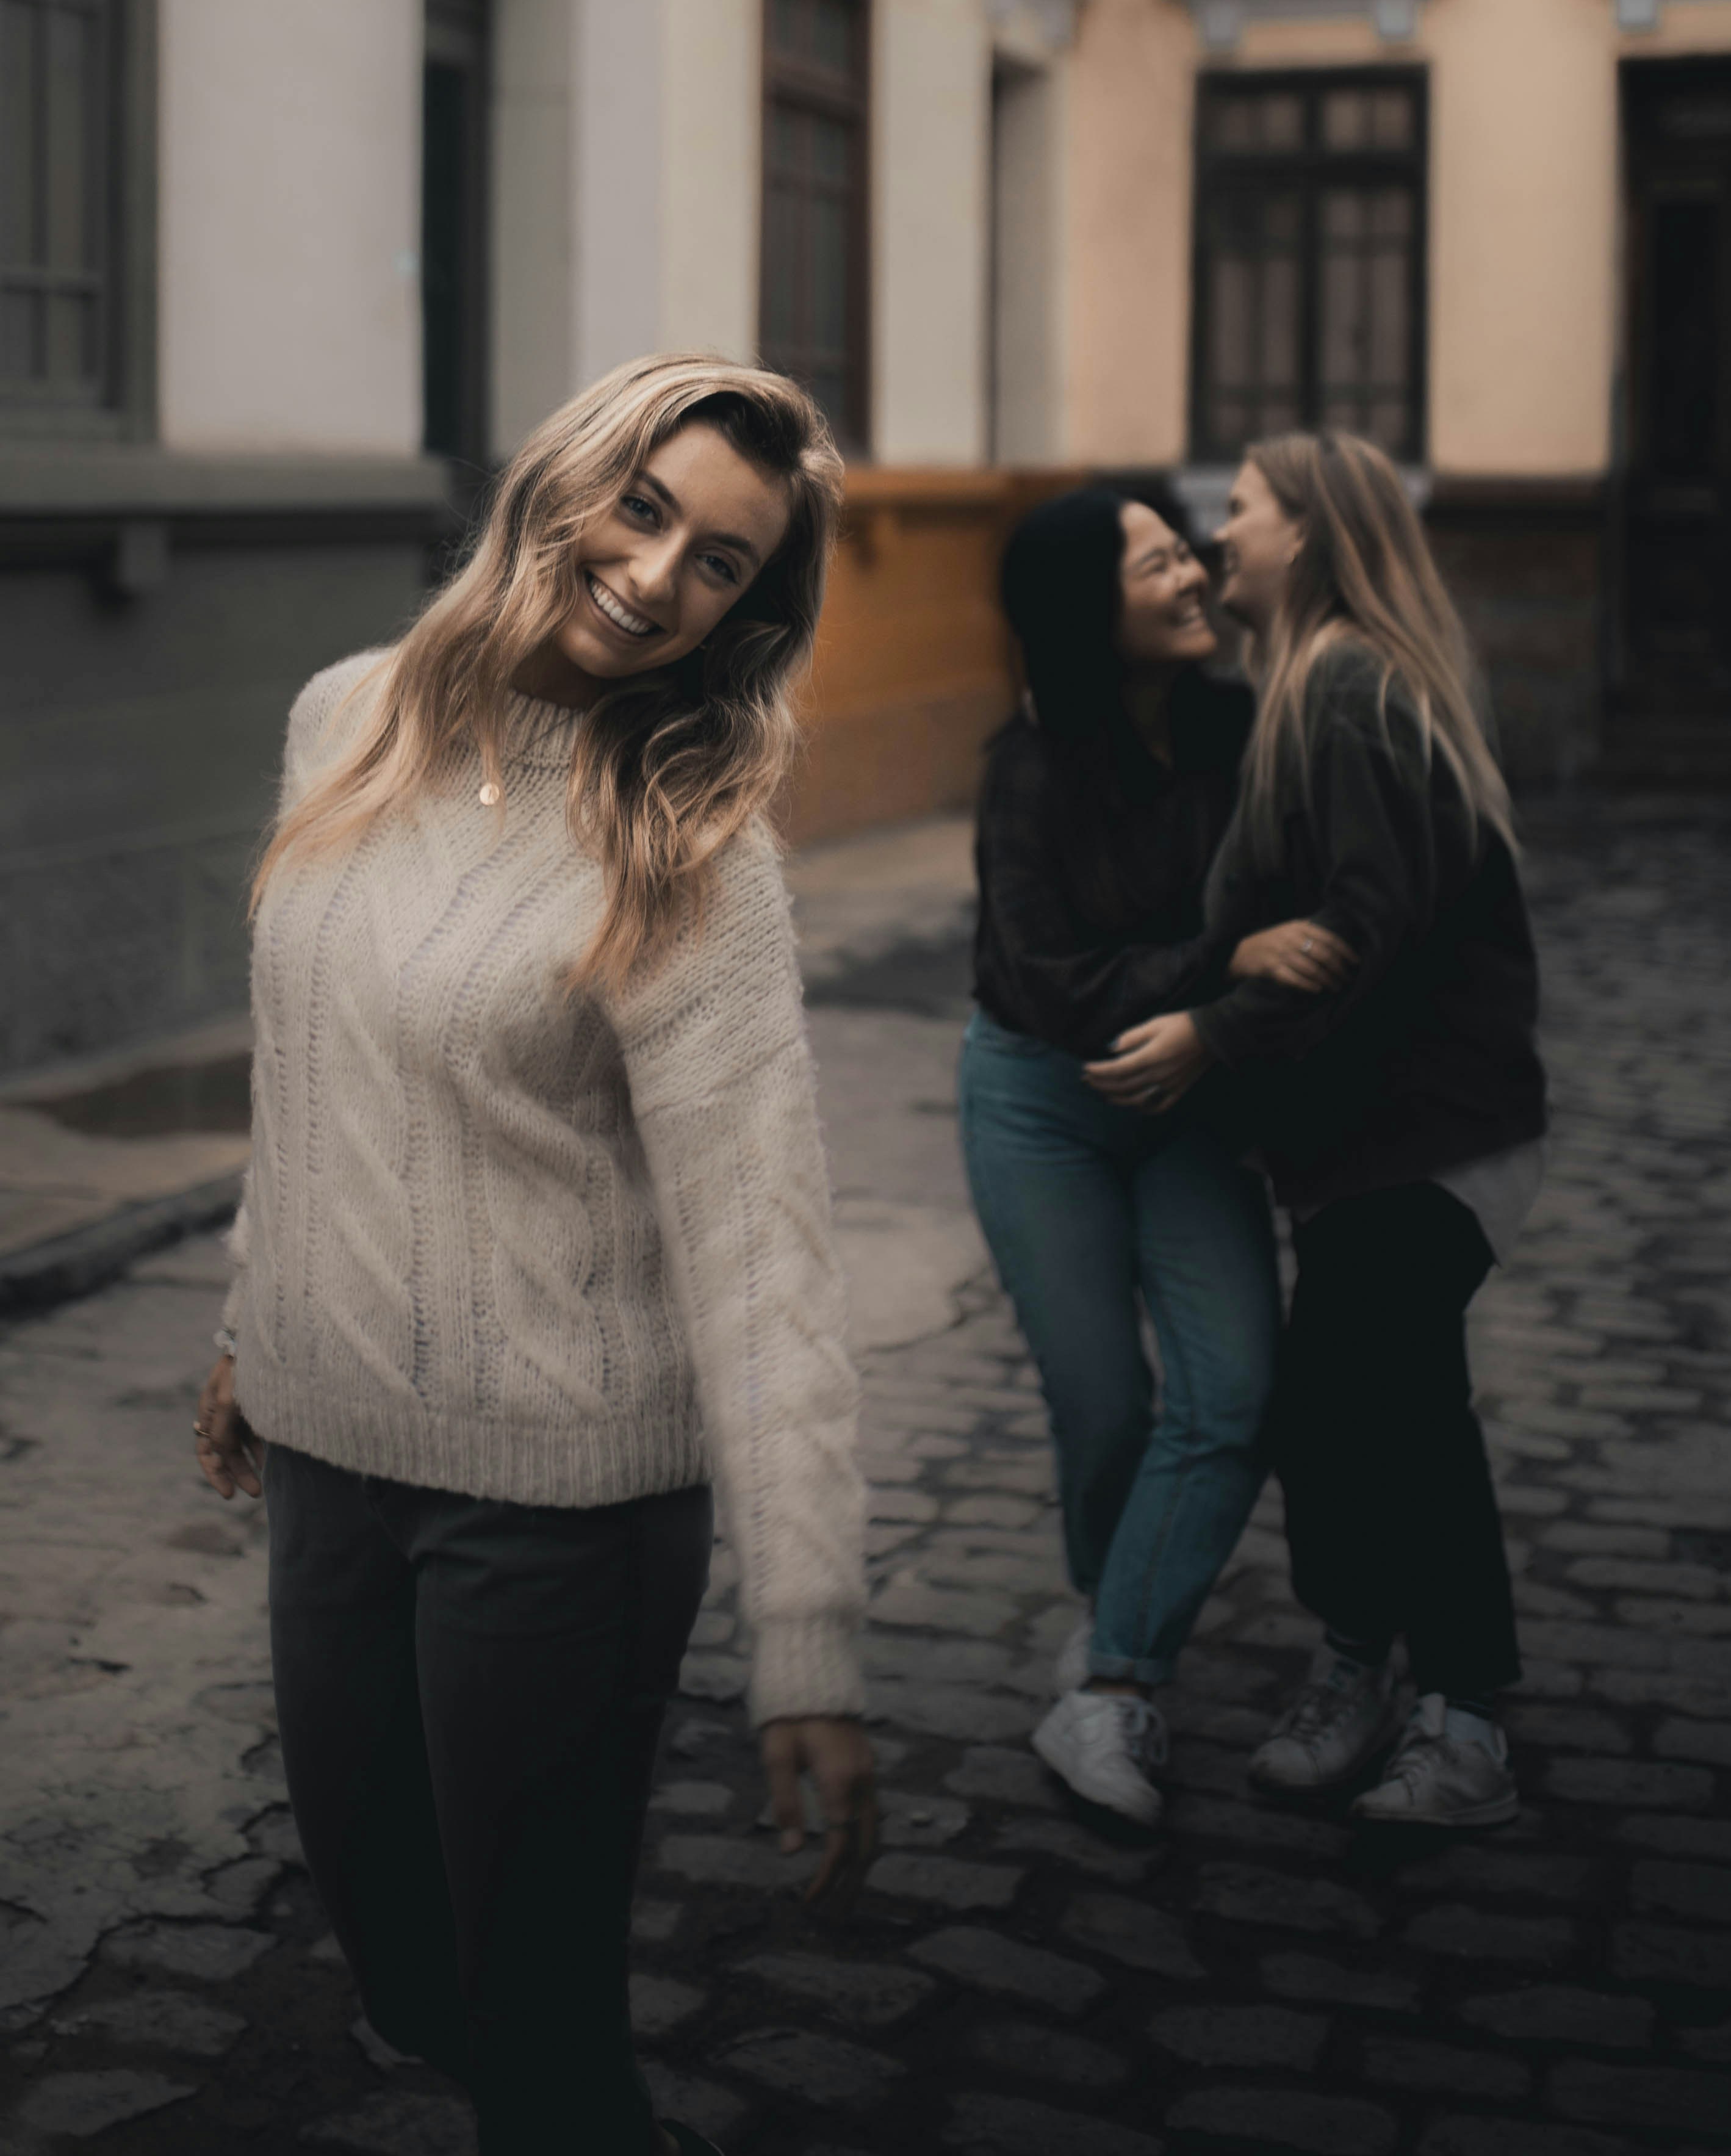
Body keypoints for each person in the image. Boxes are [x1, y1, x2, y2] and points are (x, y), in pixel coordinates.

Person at [192, 355, 876, 2156]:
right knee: (400, 1965)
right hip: (327, 1462)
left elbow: (763, 1250)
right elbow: (307, 1058)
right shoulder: (343, 715)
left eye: (720, 562)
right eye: (642, 510)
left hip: (562, 1505)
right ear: (559, 483)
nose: (656, 578)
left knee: (537, 2028)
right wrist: (253, 1315)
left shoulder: (689, 847)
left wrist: (807, 1639)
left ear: (749, 611)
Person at [1085, 431, 1546, 1830]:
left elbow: (1365, 929)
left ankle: (1459, 1720)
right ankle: (1370, 1668)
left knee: (1386, 1411)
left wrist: (1208, 1035)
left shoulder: (1348, 686)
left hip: (1428, 1137)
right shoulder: (1307, 684)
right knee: (1349, 1414)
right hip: (1369, 1145)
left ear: (1314, 536)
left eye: (1247, 511)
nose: (1221, 534)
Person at [958, 483, 1353, 1829]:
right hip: (1042, 1104)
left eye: (1187, 550)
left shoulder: (1242, 729)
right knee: (1106, 1405)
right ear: (1087, 609)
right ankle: (1116, 1640)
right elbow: (1054, 985)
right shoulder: (1027, 769)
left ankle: (1109, 1674)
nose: (1191, 575)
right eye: (1156, 565)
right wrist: (1218, 967)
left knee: (1234, 1392)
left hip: (1192, 1102)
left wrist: (1213, 1016)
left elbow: (1301, 900)